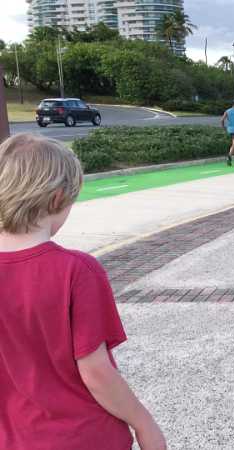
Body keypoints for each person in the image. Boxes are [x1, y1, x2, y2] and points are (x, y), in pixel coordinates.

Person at [0, 134, 167, 450]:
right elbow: (96, 372)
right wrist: (144, 424)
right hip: (84, 437)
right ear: (57, 199)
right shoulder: (77, 271)